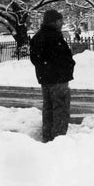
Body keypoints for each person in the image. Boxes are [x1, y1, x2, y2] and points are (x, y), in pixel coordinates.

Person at [29, 9, 75, 142]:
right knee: (60, 110)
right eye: (60, 20)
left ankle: (47, 138)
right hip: (58, 79)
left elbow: (35, 59)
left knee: (48, 110)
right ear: (53, 21)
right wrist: (67, 65)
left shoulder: (37, 37)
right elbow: (62, 57)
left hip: (45, 79)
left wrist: (45, 69)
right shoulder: (54, 37)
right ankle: (58, 141)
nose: (62, 23)